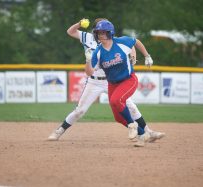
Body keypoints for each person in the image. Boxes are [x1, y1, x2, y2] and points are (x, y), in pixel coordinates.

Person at [48, 18, 165, 146]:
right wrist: (79, 24)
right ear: (95, 31)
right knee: (80, 110)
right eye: (99, 31)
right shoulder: (87, 37)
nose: (102, 33)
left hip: (112, 81)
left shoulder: (113, 40)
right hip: (94, 81)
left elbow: (131, 44)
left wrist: (136, 56)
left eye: (104, 31)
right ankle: (59, 131)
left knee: (131, 107)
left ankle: (147, 132)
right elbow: (70, 32)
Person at [84, 19, 158, 146]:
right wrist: (88, 60)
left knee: (115, 101)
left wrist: (147, 55)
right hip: (113, 84)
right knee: (118, 117)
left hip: (128, 80)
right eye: (98, 33)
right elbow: (89, 73)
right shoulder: (98, 52)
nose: (99, 35)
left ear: (110, 33)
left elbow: (137, 42)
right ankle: (144, 135)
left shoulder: (122, 42)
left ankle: (131, 125)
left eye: (102, 32)